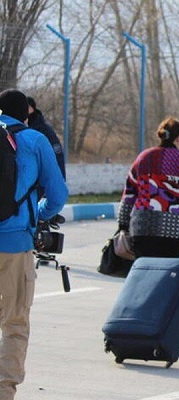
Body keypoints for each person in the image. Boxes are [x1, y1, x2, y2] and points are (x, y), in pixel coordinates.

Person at [0, 89, 68, 400]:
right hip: (15, 244)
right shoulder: (34, 140)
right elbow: (57, 195)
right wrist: (36, 215)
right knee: (14, 321)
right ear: (25, 113)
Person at [117, 117, 179, 259]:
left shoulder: (143, 157)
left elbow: (129, 194)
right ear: (178, 138)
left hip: (143, 227)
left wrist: (123, 225)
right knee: (169, 275)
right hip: (177, 229)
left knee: (145, 273)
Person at [26, 96, 66, 180]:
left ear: (32, 108)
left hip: (42, 178)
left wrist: (60, 179)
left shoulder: (45, 130)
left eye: (26, 107)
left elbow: (57, 153)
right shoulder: (17, 127)